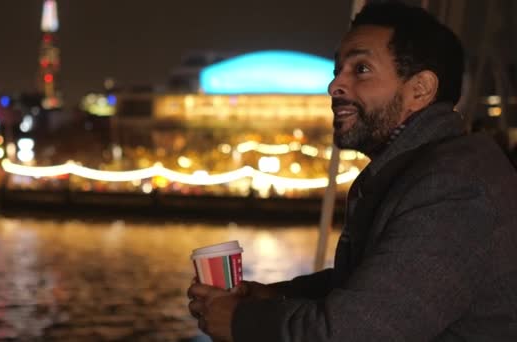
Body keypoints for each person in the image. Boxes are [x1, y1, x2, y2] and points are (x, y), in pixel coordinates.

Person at [187, 2, 517, 341]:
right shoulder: (427, 170)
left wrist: (241, 321)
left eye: (361, 69)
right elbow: (378, 283)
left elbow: (358, 331)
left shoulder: (454, 189)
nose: (334, 86)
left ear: (420, 89)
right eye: (337, 70)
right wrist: (273, 296)